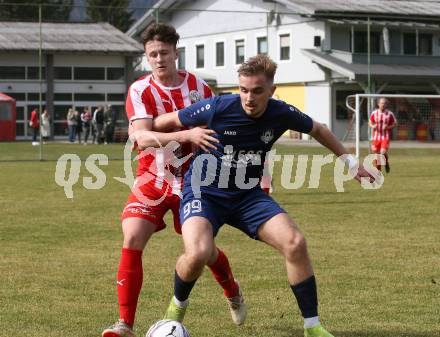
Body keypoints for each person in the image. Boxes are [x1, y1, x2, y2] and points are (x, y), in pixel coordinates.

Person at [144, 55, 376, 337]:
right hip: (204, 191)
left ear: (271, 91)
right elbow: (162, 121)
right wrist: (187, 133)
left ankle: (313, 327)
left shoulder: (281, 113)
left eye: (256, 91)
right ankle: (176, 311)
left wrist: (351, 164)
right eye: (243, 89)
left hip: (247, 196)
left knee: (295, 243)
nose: (249, 98)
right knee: (199, 253)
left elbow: (319, 129)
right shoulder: (217, 106)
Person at [102, 23, 245, 337]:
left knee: (203, 251)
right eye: (152, 54)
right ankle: (124, 324)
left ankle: (232, 290)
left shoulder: (198, 87)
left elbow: (215, 129)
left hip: (194, 179)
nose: (158, 59)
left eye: (163, 53)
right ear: (146, 56)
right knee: (132, 238)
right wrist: (186, 134)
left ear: (175, 52)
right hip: (152, 176)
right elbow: (140, 137)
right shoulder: (140, 90)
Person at [368, 97, 397, 173]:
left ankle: (384, 165)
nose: (383, 105)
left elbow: (395, 124)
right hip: (376, 137)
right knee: (376, 154)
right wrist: (373, 126)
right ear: (378, 104)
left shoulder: (389, 114)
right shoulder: (374, 113)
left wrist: (388, 127)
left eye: (384, 103)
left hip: (385, 136)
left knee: (382, 152)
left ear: (386, 104)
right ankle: (379, 170)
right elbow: (370, 122)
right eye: (381, 103)